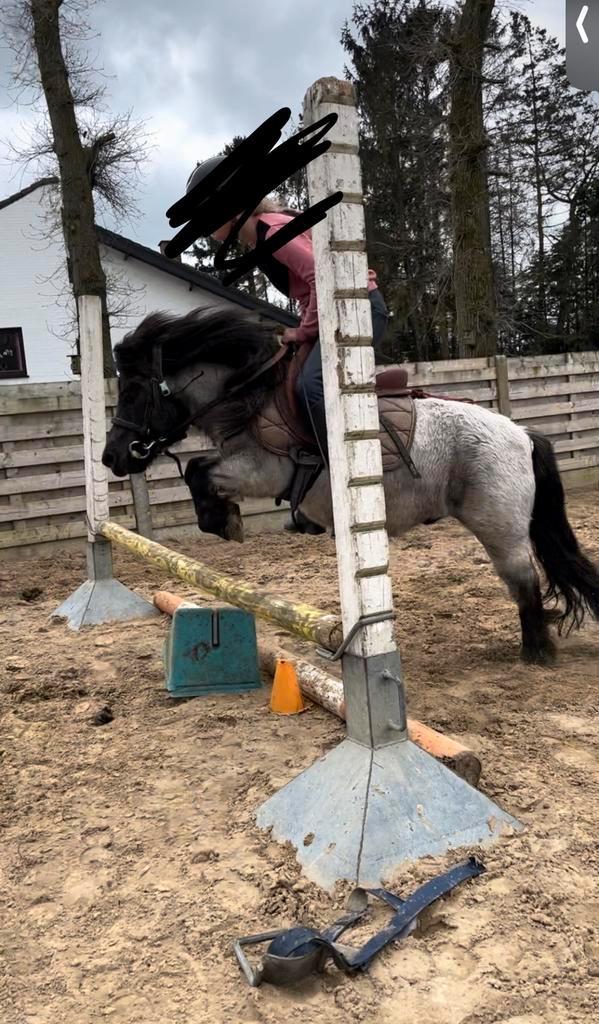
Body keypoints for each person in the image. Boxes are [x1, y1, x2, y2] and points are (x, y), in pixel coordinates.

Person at [187, 159, 390, 533]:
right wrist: (304, 325)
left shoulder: (273, 230)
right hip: (338, 310)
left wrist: (305, 330)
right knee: (283, 381)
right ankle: (313, 489)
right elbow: (307, 288)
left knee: (312, 386)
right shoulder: (260, 239)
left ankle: (343, 476)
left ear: (233, 210)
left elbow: (320, 277)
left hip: (359, 308)